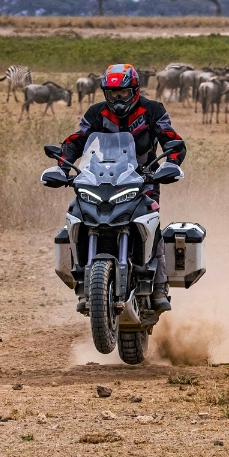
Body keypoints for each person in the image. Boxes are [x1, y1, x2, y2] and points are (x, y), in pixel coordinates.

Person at [59, 63, 186, 313]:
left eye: (123, 93)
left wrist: (170, 163)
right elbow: (77, 140)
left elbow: (172, 140)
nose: (117, 99)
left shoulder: (152, 110)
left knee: (153, 222)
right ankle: (84, 281)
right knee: (78, 215)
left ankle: (159, 286)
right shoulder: (96, 113)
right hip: (101, 180)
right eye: (112, 94)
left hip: (143, 180)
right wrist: (63, 166)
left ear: (135, 90)